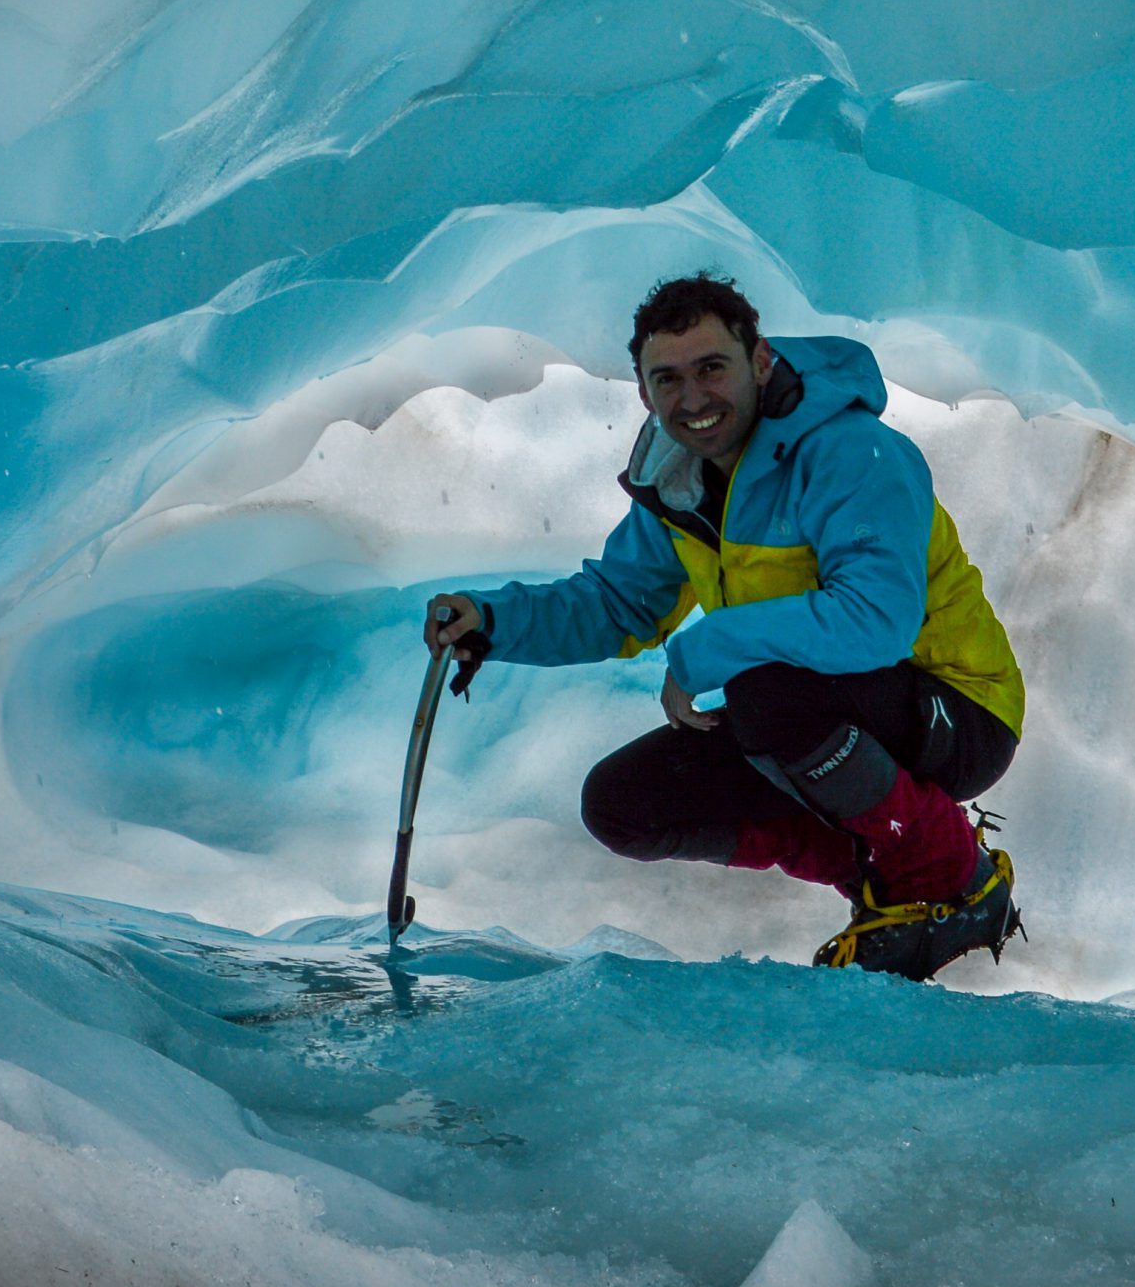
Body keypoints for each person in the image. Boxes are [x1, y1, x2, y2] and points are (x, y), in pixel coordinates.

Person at [424, 272, 1026, 980]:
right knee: (622, 804)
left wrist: (701, 652)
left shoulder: (851, 453)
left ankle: (948, 875)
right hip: (823, 712)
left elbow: (876, 623)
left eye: (712, 368)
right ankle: (879, 876)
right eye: (667, 380)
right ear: (644, 395)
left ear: (760, 362)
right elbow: (619, 603)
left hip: (959, 711)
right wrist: (494, 621)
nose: (693, 398)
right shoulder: (678, 479)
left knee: (766, 694)